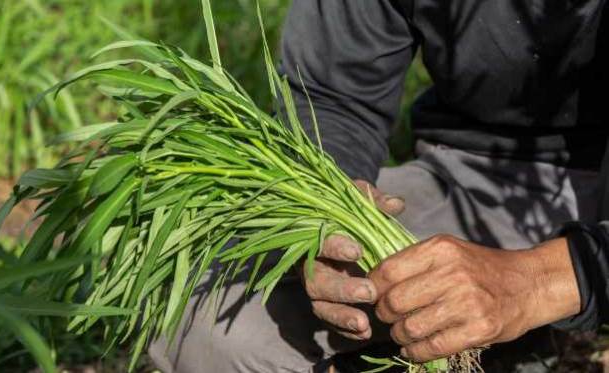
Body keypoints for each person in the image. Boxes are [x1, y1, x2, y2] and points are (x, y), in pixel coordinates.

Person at [149, 1, 609, 372]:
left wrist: (543, 282)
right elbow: (335, 96)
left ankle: (532, 325)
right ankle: (496, 346)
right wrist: (331, 207)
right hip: (490, 176)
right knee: (196, 313)